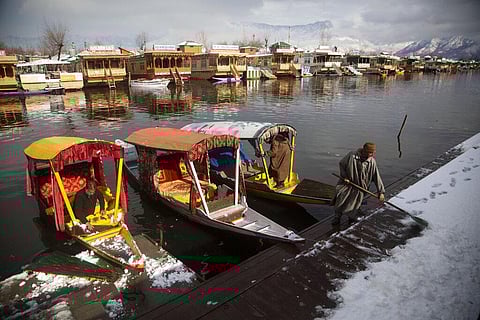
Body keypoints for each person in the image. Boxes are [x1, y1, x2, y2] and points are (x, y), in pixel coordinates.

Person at [331, 142, 385, 225]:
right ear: (364, 150)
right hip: (347, 184)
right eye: (368, 152)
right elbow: (342, 164)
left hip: (360, 188)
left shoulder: (372, 162)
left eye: (372, 153)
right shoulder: (352, 155)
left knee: (354, 204)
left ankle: (351, 218)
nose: (370, 154)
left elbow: (376, 176)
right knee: (340, 200)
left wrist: (380, 192)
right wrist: (345, 177)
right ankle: (337, 217)